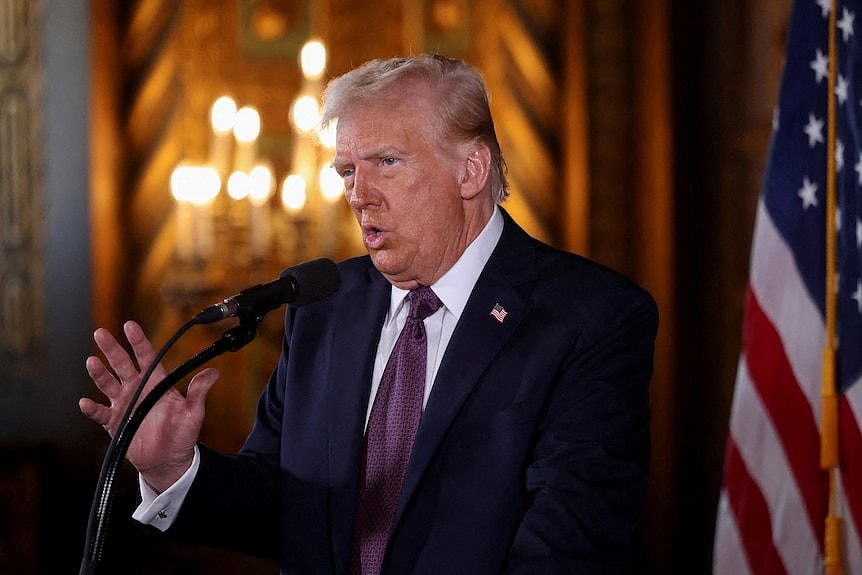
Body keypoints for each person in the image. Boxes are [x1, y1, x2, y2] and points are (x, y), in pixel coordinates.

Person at [80, 54, 658, 574]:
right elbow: (284, 509)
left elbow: (571, 543)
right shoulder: (323, 305)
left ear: (471, 171)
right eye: (347, 171)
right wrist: (174, 470)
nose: (359, 194)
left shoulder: (591, 316)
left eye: (387, 161)